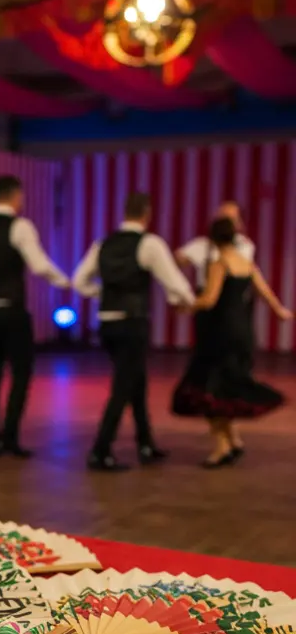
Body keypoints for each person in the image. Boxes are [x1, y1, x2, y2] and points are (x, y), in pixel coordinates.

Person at [72, 191, 194, 471]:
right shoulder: (149, 244)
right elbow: (172, 281)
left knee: (135, 382)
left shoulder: (102, 244)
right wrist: (190, 301)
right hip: (133, 322)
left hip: (106, 322)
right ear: (147, 213)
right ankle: (100, 449)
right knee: (124, 386)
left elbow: (79, 281)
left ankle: (145, 443)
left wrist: (102, 292)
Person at [0, 174, 69, 458]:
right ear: (16, 196)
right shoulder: (20, 227)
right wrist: (65, 281)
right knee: (21, 372)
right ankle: (10, 437)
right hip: (13, 310)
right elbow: (40, 265)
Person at [172, 216, 292, 467]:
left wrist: (186, 306)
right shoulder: (245, 262)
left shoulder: (220, 262)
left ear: (213, 239)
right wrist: (280, 311)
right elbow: (265, 291)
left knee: (208, 389)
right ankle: (232, 441)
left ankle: (222, 446)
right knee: (224, 388)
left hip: (220, 333)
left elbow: (209, 299)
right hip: (242, 331)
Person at [176, 199, 255, 287]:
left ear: (240, 224)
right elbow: (177, 260)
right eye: (220, 218)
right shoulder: (202, 244)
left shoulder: (244, 245)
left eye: (228, 220)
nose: (223, 225)